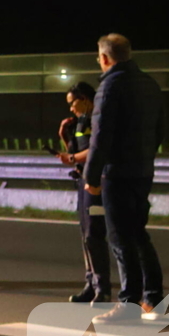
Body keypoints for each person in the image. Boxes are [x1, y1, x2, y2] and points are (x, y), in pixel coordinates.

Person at [84, 34, 165, 324]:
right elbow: (161, 130)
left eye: (98, 57)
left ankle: (128, 304)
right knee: (139, 233)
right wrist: (143, 157)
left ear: (105, 58)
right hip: (143, 171)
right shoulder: (149, 84)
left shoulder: (109, 86)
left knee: (119, 238)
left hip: (117, 173)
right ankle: (153, 297)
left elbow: (100, 136)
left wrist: (91, 176)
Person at [55, 81, 110, 305]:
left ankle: (103, 289)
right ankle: (91, 284)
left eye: (73, 103)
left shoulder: (98, 118)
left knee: (94, 235)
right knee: (85, 236)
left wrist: (74, 159)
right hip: (82, 181)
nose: (71, 108)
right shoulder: (80, 122)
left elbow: (96, 149)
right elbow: (74, 153)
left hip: (96, 182)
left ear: (85, 99)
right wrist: (64, 135)